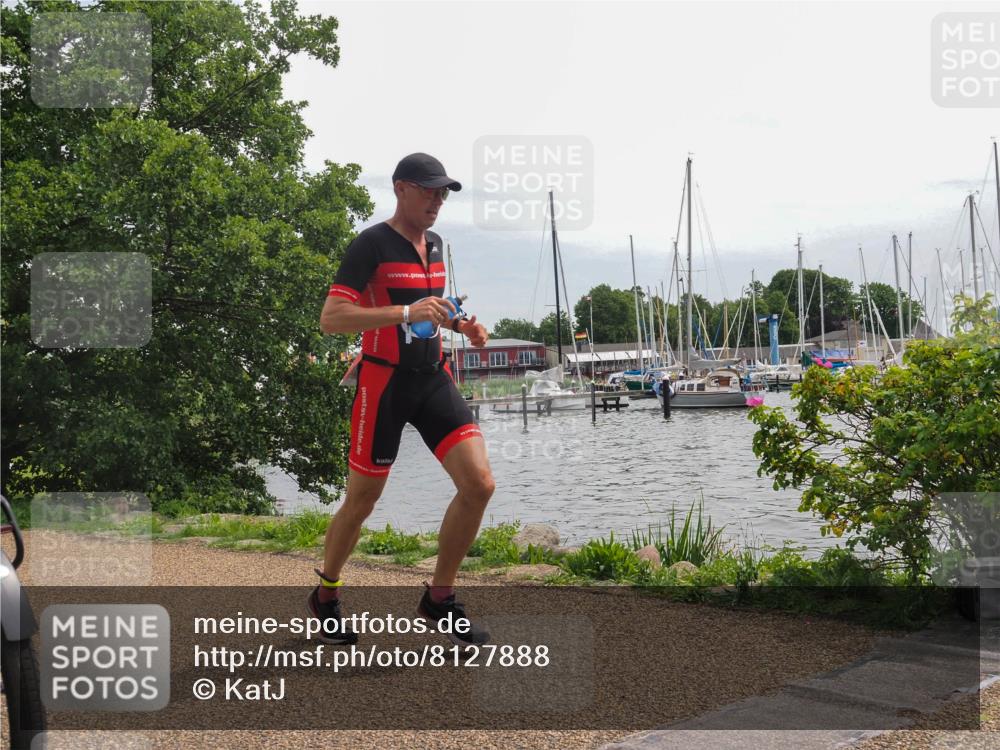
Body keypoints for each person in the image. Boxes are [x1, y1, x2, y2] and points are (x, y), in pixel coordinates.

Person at [311, 153, 494, 647]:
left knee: (478, 484)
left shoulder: (434, 245)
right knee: (362, 500)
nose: (438, 200)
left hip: (433, 378)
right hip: (383, 384)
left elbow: (430, 309)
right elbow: (331, 318)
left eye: (444, 193)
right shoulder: (370, 244)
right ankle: (325, 593)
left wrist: (460, 323)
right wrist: (402, 311)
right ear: (400, 189)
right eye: (430, 190)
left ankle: (440, 598)